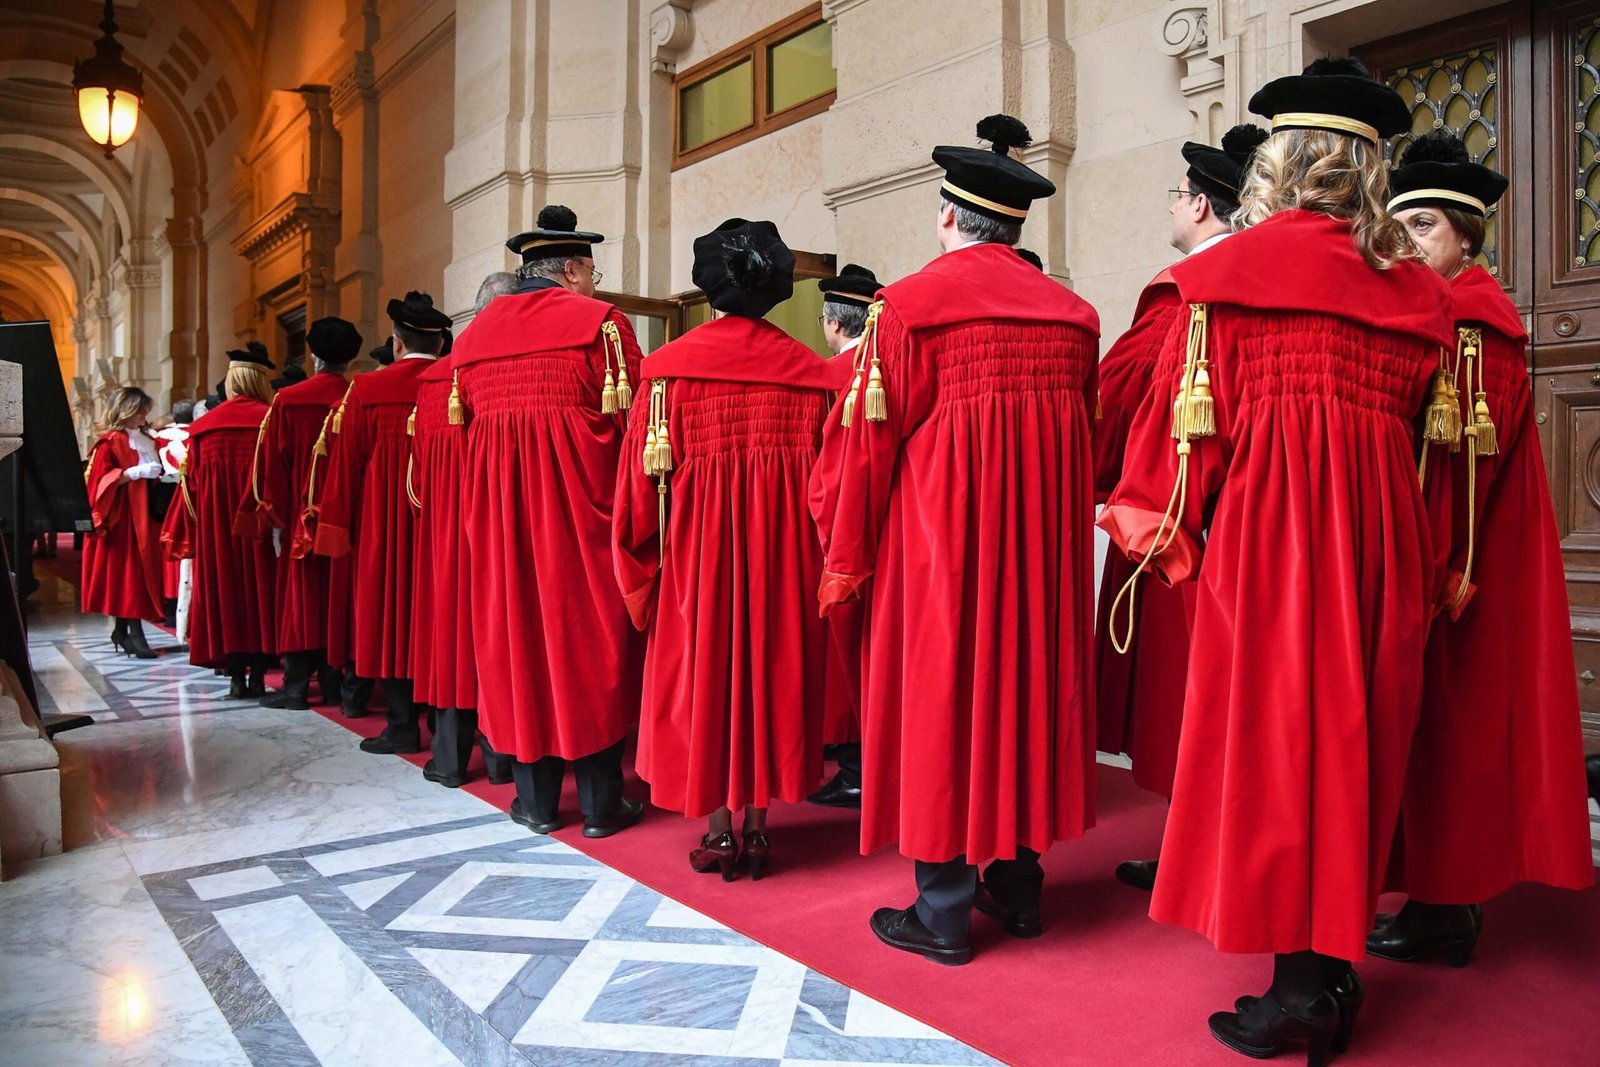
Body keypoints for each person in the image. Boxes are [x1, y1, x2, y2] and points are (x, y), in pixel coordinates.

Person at [1098, 60, 1454, 1062]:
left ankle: (1299, 993)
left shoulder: (1221, 284)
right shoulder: (1420, 296)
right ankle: (1331, 964)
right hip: (1383, 550)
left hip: (1266, 552)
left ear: (1280, 163)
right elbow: (1434, 457)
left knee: (1276, 757)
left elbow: (1176, 462)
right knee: (1354, 750)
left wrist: (1170, 551)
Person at [811, 115, 1100, 966]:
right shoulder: (1075, 317)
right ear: (1015, 225)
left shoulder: (907, 309)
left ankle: (941, 910)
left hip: (938, 553)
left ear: (947, 214)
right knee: (1026, 699)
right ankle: (1019, 889)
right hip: (1039, 558)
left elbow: (864, 448)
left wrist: (845, 553)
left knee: (940, 703)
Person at [1369, 131, 1595, 965]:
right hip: (1455, 565)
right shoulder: (1442, 313)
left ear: (1466, 237)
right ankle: (1441, 903)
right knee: (1439, 741)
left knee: (1449, 740)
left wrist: (1420, 572)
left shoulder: (1471, 326)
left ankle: (1446, 911)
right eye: (1398, 227)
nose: (1406, 243)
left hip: (1458, 572)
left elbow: (1457, 476)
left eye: (1423, 226)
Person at [614, 219, 851, 879]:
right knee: (769, 678)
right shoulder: (813, 378)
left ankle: (719, 830)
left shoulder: (666, 377)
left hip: (697, 563)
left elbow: (637, 493)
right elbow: (833, 488)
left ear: (710, 289)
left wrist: (639, 570)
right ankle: (757, 827)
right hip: (784, 564)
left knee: (708, 681)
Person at [1096, 123, 1267, 893]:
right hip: (1277, 519)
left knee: (1189, 693)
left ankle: (1194, 853)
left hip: (1189, 520)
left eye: (1177, 195)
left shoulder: (1186, 295)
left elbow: (1119, 397)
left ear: (1201, 205)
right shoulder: (1278, 279)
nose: (1172, 206)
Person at [455, 204, 645, 838]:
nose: (593, 282)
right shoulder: (602, 325)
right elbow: (635, 428)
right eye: (592, 271)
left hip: (503, 525)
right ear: (571, 270)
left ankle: (536, 804)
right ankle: (599, 807)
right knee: (588, 643)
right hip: (579, 518)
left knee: (517, 647)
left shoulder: (473, 339)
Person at [315, 293, 449, 754]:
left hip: (383, 524)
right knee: (438, 616)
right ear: (440, 343)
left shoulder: (366, 390)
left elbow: (345, 466)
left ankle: (401, 722)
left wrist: (336, 527)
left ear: (396, 343)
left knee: (388, 615)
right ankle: (447, 728)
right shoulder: (453, 383)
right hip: (440, 521)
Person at [408, 273, 518, 788]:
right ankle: (501, 762)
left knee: (452, 643)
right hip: (502, 528)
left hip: (447, 535)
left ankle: (450, 760)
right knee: (500, 640)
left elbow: (416, 479)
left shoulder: (434, 381)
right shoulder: (514, 367)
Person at [244, 316, 365, 711]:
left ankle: (296, 686)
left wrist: (278, 518)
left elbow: (273, 467)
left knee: (300, 599)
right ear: (351, 359)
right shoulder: (358, 397)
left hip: (302, 516)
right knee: (340, 599)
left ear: (313, 356)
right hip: (352, 518)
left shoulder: (288, 401)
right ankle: (334, 684)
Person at [806, 262, 882, 811]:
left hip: (839, 536)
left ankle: (855, 768)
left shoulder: (825, 378)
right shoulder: (884, 370)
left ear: (833, 323)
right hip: (893, 534)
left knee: (845, 657)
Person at [162, 348, 278, 697]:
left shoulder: (204, 429)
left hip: (218, 532)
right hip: (261, 527)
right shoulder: (271, 420)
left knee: (225, 594)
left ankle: (235, 676)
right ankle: (259, 673)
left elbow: (192, 486)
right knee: (262, 594)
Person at [82, 386, 165, 658]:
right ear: (124, 410)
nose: (143, 415)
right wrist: (132, 473)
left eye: (145, 410)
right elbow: (97, 484)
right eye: (139, 410)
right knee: (130, 576)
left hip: (147, 514)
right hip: (123, 518)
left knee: (136, 575)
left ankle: (121, 632)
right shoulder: (109, 443)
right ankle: (136, 634)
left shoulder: (148, 440)